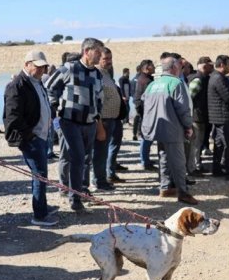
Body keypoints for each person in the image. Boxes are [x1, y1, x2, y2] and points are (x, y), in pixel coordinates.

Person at [45, 38, 105, 212]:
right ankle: (75, 198)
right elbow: (49, 87)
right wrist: (56, 111)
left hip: (90, 123)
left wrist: (97, 118)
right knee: (77, 158)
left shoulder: (97, 74)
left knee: (86, 159)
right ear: (87, 51)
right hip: (70, 122)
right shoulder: (69, 68)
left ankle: (81, 191)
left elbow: (99, 98)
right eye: (98, 52)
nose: (100, 55)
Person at [4, 50, 60, 226]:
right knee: (40, 175)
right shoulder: (17, 85)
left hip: (41, 135)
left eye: (43, 67)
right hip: (32, 138)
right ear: (27, 64)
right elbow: (12, 117)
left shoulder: (37, 82)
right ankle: (40, 215)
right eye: (38, 66)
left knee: (41, 174)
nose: (41, 70)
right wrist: (29, 136)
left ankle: (41, 205)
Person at [141, 56, 198, 205]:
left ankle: (165, 187)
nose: (180, 68)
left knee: (164, 157)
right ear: (173, 68)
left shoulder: (153, 84)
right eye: (179, 66)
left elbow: (143, 103)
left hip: (157, 128)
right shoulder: (176, 83)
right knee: (179, 162)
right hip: (173, 128)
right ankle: (183, 192)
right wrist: (188, 126)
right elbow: (183, 108)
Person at [92, 47, 126, 190]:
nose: (109, 61)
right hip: (103, 120)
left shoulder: (106, 73)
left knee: (104, 151)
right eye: (105, 58)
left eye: (110, 58)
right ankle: (99, 181)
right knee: (100, 153)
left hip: (112, 119)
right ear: (98, 58)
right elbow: (95, 99)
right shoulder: (96, 74)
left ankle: (103, 178)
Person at [207, 55, 229, 180]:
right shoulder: (218, 78)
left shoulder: (216, 77)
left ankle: (217, 169)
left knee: (220, 144)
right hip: (223, 117)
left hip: (219, 117)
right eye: (228, 64)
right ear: (222, 65)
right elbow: (227, 97)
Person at [188, 56, 213, 175]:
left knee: (198, 143)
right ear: (204, 66)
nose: (212, 68)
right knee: (196, 144)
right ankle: (194, 167)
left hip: (200, 117)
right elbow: (188, 99)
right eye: (210, 65)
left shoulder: (204, 78)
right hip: (196, 117)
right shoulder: (198, 80)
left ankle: (196, 165)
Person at [134, 59, 156, 171]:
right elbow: (144, 99)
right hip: (146, 112)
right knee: (146, 138)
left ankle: (145, 159)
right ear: (146, 68)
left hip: (144, 112)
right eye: (152, 66)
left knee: (147, 137)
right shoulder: (146, 80)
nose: (154, 68)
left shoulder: (144, 78)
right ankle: (144, 161)